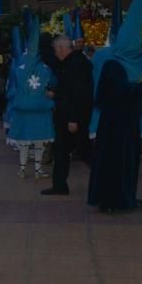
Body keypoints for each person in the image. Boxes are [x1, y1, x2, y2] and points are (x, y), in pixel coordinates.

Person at [88, 0, 142, 213]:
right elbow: (120, 93)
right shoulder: (113, 65)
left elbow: (135, 93)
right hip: (115, 127)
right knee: (116, 165)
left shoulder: (132, 63)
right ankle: (114, 201)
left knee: (129, 164)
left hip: (128, 123)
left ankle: (127, 197)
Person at [42, 35, 93, 196]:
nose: (55, 53)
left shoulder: (77, 64)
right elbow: (67, 90)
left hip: (72, 118)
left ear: (62, 48)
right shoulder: (70, 63)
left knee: (85, 151)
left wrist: (74, 118)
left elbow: (80, 94)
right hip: (65, 116)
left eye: (56, 49)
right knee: (61, 151)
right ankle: (59, 185)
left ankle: (108, 178)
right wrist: (55, 94)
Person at [9, 12, 56, 180]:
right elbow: (53, 85)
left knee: (24, 142)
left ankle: (22, 169)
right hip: (41, 108)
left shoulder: (19, 68)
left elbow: (13, 88)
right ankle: (37, 170)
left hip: (23, 109)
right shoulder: (45, 69)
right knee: (39, 141)